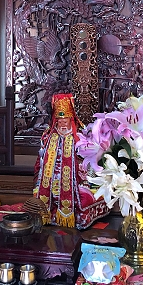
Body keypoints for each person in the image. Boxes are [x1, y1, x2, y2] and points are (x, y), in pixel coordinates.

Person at [33, 93, 105, 229]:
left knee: (82, 196)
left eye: (65, 120)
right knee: (40, 194)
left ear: (71, 119)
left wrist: (86, 176)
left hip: (77, 181)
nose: (62, 123)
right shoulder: (48, 136)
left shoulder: (80, 136)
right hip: (50, 182)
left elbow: (90, 159)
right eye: (59, 120)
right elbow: (40, 162)